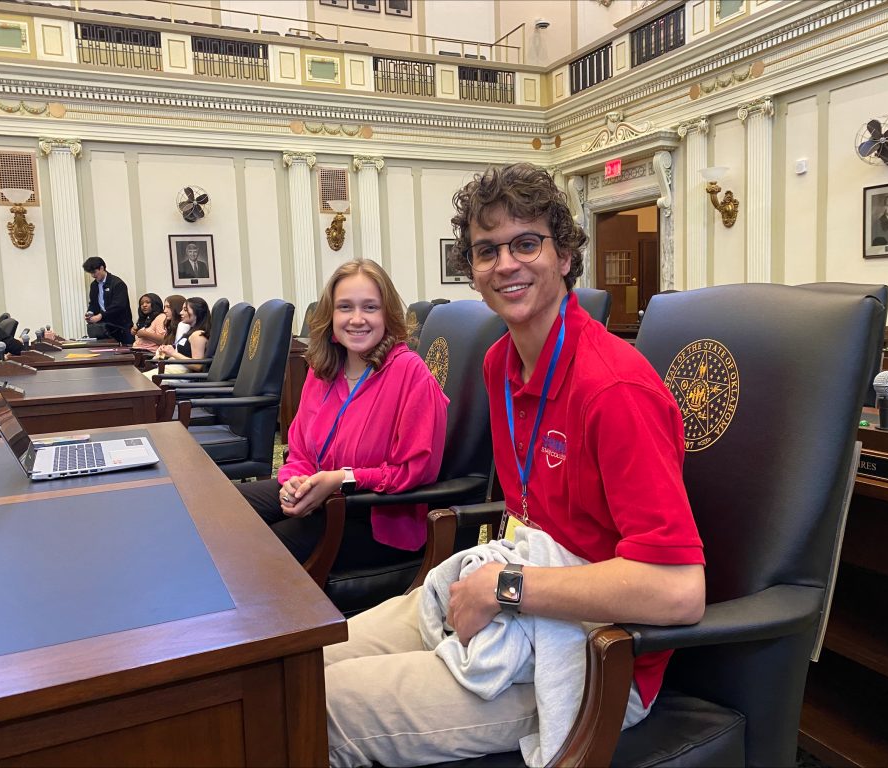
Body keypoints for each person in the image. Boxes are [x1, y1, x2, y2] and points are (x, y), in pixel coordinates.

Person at [323, 164, 705, 767]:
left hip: (600, 659)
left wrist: (505, 588)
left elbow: (680, 592)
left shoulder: (614, 388)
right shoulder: (501, 364)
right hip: (524, 607)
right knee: (302, 663)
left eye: (527, 242)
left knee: (323, 704)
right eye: (486, 250)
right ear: (472, 272)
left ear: (565, 257)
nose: (506, 263)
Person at [238, 258, 448, 568]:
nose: (357, 319)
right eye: (345, 307)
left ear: (388, 315)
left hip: (376, 517)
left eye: (370, 307)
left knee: (260, 551)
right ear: (331, 315)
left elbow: (416, 471)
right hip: (321, 495)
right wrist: (294, 482)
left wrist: (342, 479)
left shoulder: (410, 373)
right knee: (226, 513)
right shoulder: (323, 369)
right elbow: (300, 451)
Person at [82, 257, 133, 345]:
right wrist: (90, 313)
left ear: (101, 268)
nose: (93, 276)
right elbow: (93, 303)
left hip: (120, 328)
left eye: (94, 272)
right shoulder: (94, 285)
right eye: (91, 273)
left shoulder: (118, 284)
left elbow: (119, 306)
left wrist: (101, 316)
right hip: (104, 328)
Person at [154, 296, 209, 373]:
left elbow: (198, 365)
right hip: (174, 368)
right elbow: (181, 355)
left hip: (182, 374)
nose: (181, 312)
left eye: (185, 310)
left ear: (197, 313)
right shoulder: (190, 331)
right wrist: (166, 352)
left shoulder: (197, 335)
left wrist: (173, 353)